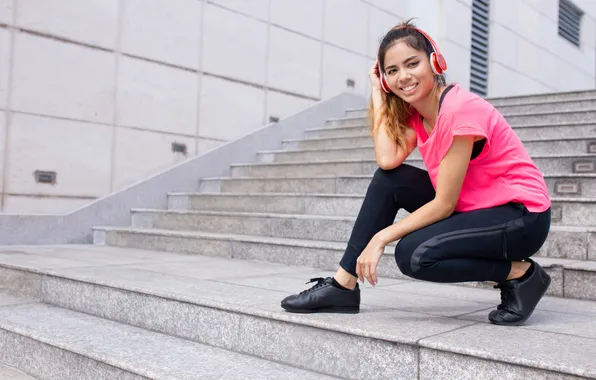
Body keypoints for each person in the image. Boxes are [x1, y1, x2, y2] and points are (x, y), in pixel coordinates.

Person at [280, 19, 552, 326]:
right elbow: (387, 161)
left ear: (435, 61)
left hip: (521, 217)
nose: (403, 77)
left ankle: (522, 274)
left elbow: (444, 204)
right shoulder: (417, 113)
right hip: (476, 207)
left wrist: (380, 238)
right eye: (392, 71)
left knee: (414, 255)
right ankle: (343, 284)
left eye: (412, 64)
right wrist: (378, 93)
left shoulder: (460, 110)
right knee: (390, 181)